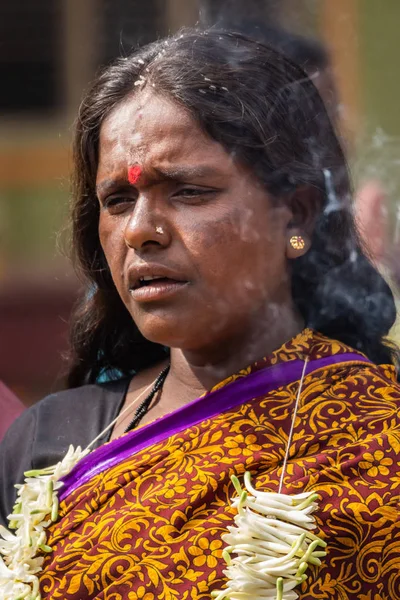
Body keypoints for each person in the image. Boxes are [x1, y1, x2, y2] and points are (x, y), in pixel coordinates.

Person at [1, 29, 399, 599]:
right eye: (117, 200)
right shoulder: (51, 443)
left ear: (297, 213)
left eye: (188, 192)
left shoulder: (378, 439)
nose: (140, 230)